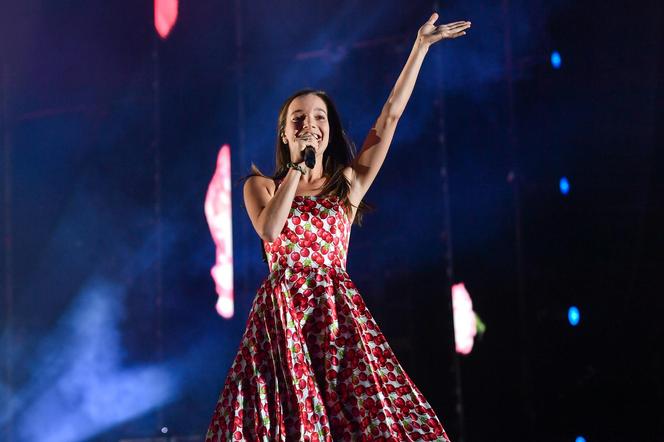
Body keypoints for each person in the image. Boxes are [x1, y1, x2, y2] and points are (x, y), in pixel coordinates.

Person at [205, 12, 471, 441]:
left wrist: (419, 48)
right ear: (285, 132)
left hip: (335, 317)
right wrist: (295, 169)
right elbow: (270, 232)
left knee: (357, 420)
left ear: (329, 132)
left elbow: (389, 118)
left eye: (319, 118)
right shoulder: (261, 185)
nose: (310, 124)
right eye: (299, 119)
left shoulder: (347, 184)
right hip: (282, 319)